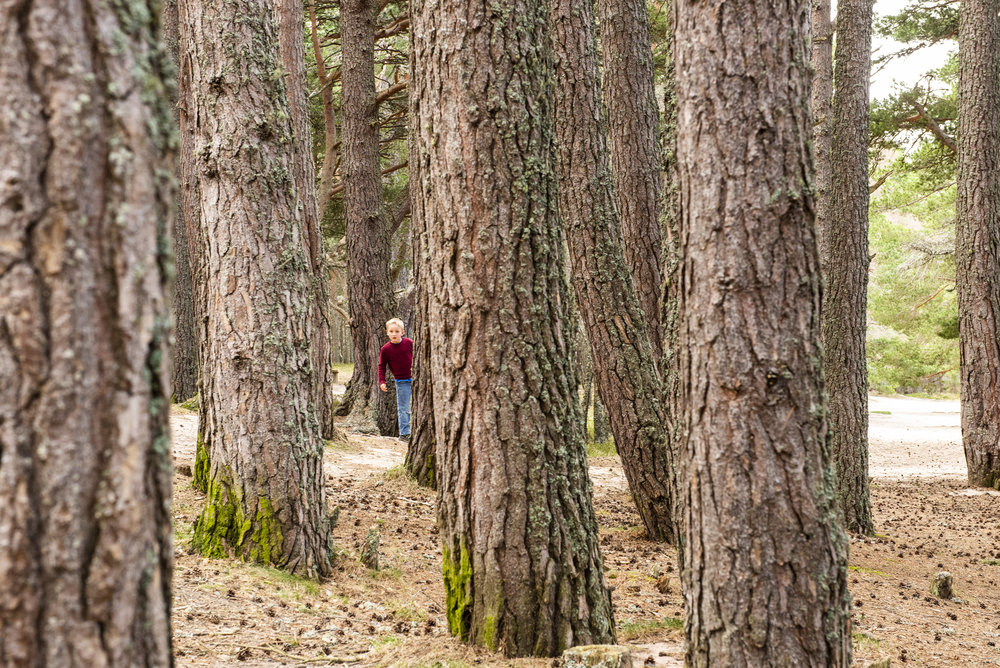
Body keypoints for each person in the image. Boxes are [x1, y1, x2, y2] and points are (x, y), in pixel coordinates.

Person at [378, 318, 413, 441]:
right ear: (387, 332)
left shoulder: (409, 343)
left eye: (397, 331)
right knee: (403, 408)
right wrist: (382, 381)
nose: (394, 334)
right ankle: (404, 434)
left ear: (402, 332)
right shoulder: (386, 349)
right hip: (401, 382)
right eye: (391, 331)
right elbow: (382, 366)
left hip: (416, 379)